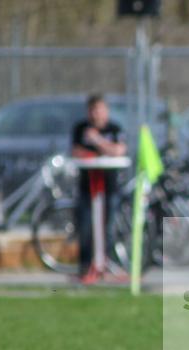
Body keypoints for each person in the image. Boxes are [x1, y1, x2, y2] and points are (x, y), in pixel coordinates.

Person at [71, 93, 127, 283]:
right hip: (88, 187)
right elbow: (76, 152)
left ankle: (106, 264)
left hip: (109, 187)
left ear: (106, 110)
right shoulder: (81, 129)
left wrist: (97, 141)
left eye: (99, 109)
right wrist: (95, 150)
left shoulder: (114, 129)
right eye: (93, 110)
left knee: (108, 227)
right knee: (86, 227)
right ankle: (86, 266)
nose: (96, 114)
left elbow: (119, 150)